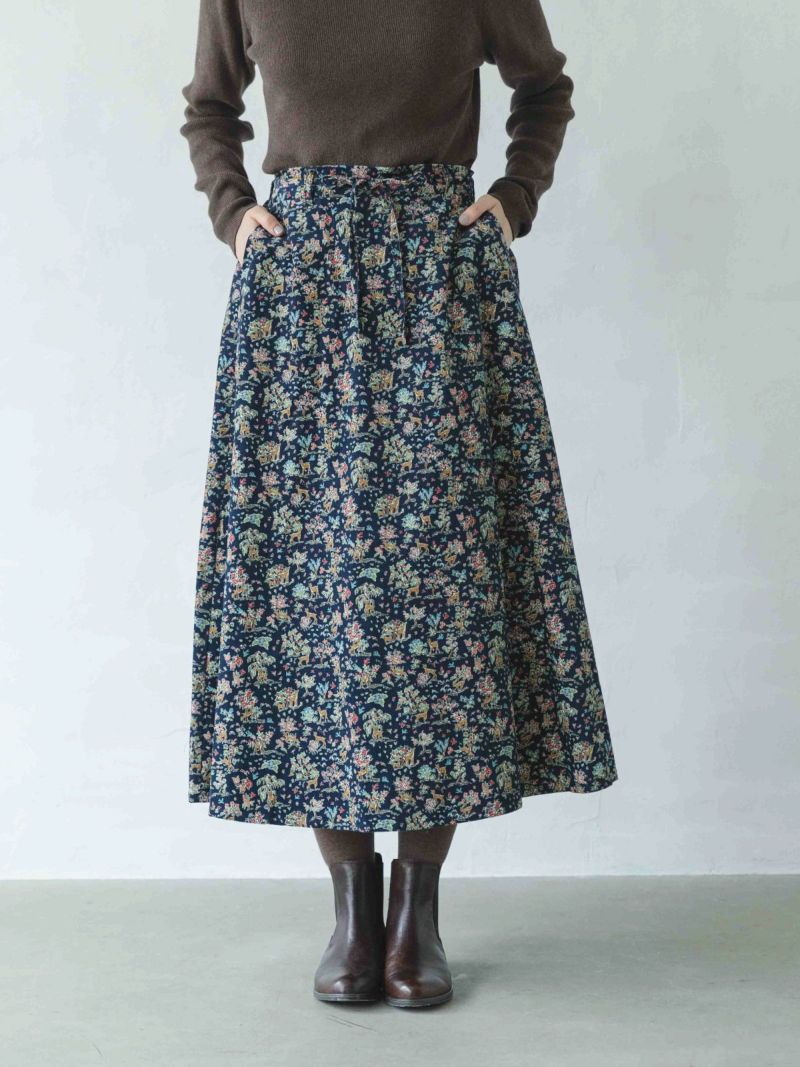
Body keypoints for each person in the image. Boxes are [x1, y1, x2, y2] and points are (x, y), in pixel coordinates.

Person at [180, 0, 618, 1009]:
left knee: (436, 604)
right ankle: (352, 908)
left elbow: (543, 88)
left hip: (438, 285)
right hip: (298, 294)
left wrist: (512, 197)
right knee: (313, 600)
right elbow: (209, 108)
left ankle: (418, 906)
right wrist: (232, 209)